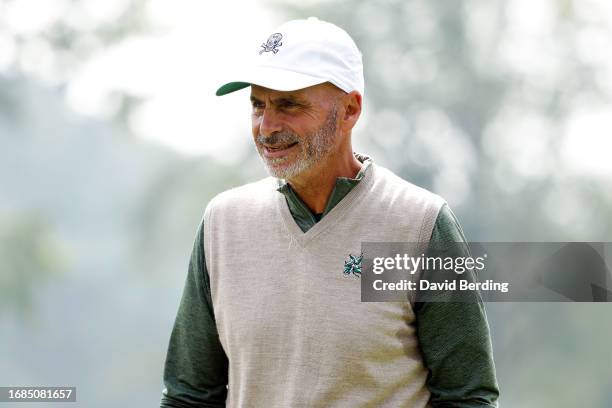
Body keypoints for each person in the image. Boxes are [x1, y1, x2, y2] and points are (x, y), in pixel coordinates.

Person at [160, 17, 499, 408]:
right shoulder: (223, 224)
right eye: (258, 105)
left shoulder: (419, 225)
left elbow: (466, 396)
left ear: (350, 110)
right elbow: (189, 396)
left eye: (288, 104)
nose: (267, 127)